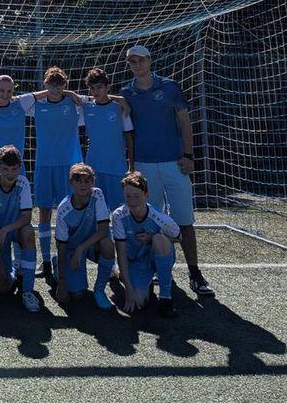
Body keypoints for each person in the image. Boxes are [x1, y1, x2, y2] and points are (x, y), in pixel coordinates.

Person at [121, 45, 214, 297]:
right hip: (144, 166)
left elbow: (184, 122)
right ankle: (159, 270)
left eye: (141, 60)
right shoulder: (125, 93)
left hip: (175, 164)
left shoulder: (170, 87)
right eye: (132, 62)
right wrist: (131, 166)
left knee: (184, 220)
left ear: (150, 60)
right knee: (152, 222)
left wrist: (188, 155)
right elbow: (125, 129)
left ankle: (195, 273)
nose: (137, 65)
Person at [31, 67, 85, 287]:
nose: (55, 88)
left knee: (69, 212)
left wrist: (72, 94)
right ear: (45, 84)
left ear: (65, 85)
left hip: (68, 166)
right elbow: (13, 101)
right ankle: (45, 260)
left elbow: (100, 99)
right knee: (44, 212)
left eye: (59, 84)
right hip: (44, 165)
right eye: (51, 84)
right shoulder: (36, 105)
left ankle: (66, 256)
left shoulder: (75, 103)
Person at [111, 171, 180, 318]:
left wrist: (152, 238)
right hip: (136, 261)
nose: (132, 200)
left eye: (136, 196)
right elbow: (121, 254)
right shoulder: (118, 216)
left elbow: (179, 237)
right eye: (128, 196)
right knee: (137, 302)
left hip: (155, 256)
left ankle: (165, 297)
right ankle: (144, 283)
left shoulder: (160, 218)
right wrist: (128, 290)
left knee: (159, 239)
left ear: (146, 194)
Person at [0, 145, 39, 312]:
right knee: (2, 289)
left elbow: (26, 218)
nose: (10, 174)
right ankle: (13, 268)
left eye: (14, 169)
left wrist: (6, 229)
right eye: (5, 169)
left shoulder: (23, 182)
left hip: (14, 230)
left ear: (19, 167)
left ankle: (27, 291)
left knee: (28, 231)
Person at [53, 163, 116, 310]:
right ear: (71, 183)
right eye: (78, 180)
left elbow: (103, 230)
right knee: (77, 295)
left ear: (93, 182)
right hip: (71, 249)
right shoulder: (63, 209)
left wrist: (81, 248)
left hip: (90, 246)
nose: (83, 185)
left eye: (87, 181)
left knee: (108, 244)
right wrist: (62, 282)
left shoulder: (97, 194)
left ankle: (99, 290)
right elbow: (61, 245)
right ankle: (57, 266)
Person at [81, 68, 134, 211]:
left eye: (99, 87)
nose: (96, 91)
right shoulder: (86, 107)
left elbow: (129, 138)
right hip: (93, 167)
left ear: (107, 87)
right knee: (94, 210)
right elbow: (65, 94)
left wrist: (131, 166)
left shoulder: (120, 108)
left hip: (116, 167)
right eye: (92, 88)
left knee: (120, 210)